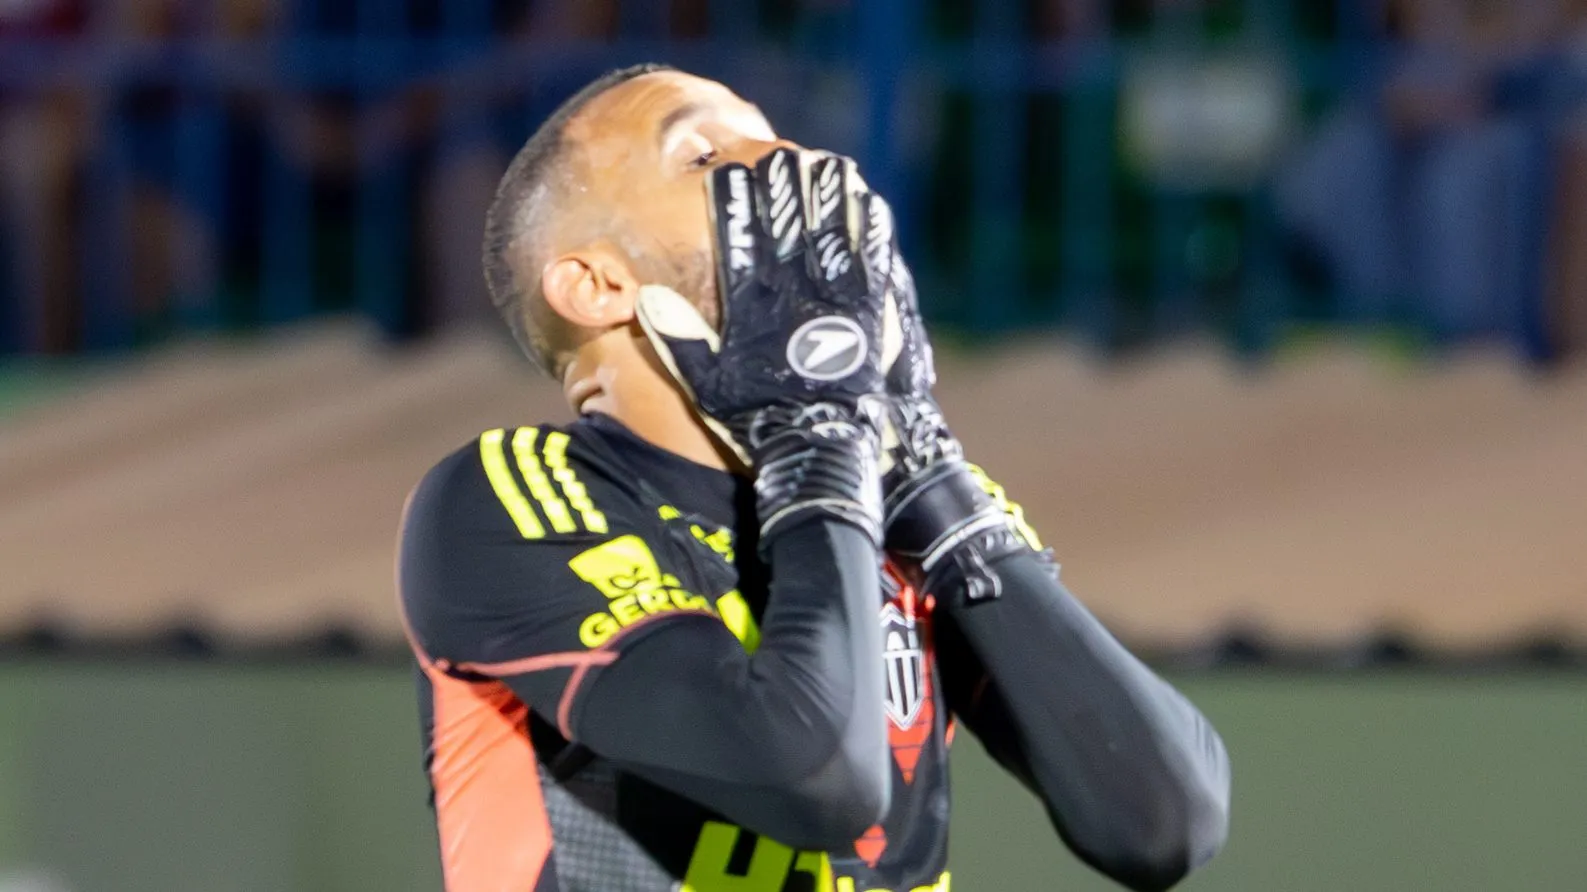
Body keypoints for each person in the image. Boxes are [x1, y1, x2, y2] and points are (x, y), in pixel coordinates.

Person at [397, 64, 1231, 892]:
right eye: (702, 155)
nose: (779, 162)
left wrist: (921, 464)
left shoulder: (897, 494)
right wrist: (818, 435)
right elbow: (815, 778)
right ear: (596, 285)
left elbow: (1162, 824)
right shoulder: (504, 496)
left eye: (771, 133)